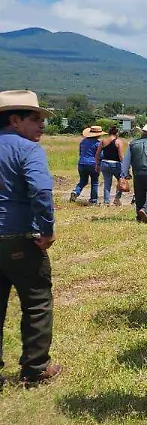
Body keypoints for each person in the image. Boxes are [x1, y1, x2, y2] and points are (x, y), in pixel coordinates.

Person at [0, 90, 60, 387]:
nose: (42, 125)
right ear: (14, 120)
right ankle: (35, 369)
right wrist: (47, 229)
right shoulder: (28, 149)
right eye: (35, 119)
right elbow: (40, 190)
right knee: (36, 302)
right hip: (20, 237)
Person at [69, 125, 103, 205]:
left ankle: (76, 192)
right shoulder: (98, 144)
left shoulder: (83, 142)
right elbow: (100, 155)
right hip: (93, 164)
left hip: (82, 163)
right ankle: (93, 200)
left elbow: (80, 153)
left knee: (83, 181)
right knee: (94, 182)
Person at [97, 126, 125, 206]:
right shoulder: (118, 141)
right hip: (116, 164)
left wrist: (97, 164)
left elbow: (97, 154)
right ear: (117, 133)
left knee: (107, 183)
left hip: (105, 163)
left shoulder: (103, 141)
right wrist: (125, 165)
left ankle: (106, 201)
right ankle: (117, 199)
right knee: (121, 181)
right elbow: (120, 156)